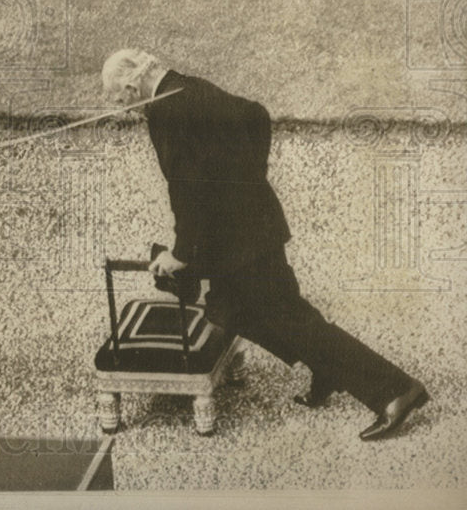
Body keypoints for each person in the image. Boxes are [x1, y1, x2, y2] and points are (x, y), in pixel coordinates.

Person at [101, 48, 429, 441]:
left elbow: (185, 191)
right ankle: (326, 367)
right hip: (252, 229)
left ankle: (393, 390)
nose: (131, 113)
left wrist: (181, 254)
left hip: (242, 244)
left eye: (126, 105)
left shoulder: (166, 112)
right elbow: (256, 115)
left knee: (284, 317)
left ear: (133, 86)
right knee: (234, 311)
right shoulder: (191, 87)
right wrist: (247, 179)